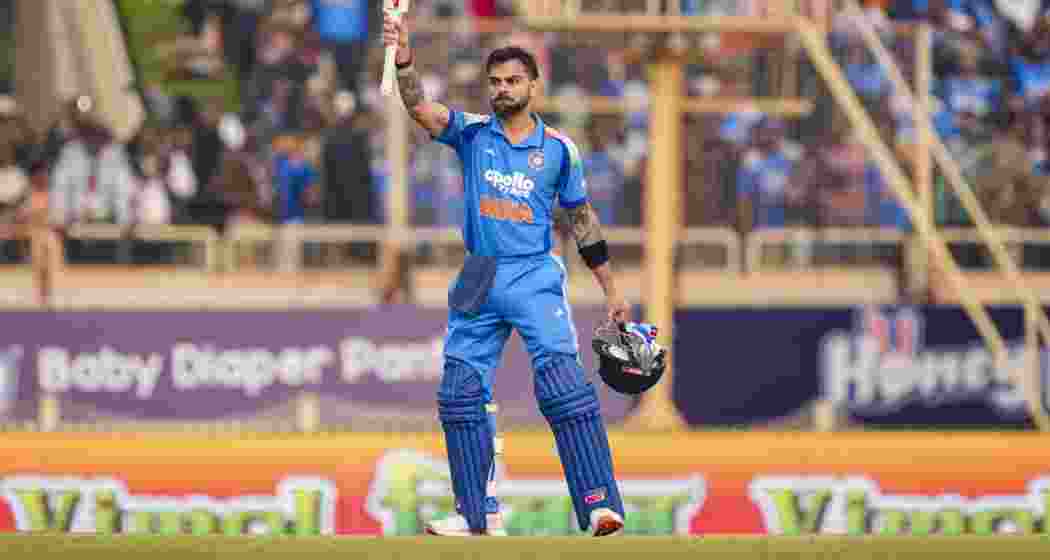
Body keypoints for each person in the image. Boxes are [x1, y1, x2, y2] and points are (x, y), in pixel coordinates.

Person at [383, 12, 629, 538]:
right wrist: (403, 55)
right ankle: (477, 514)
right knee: (459, 393)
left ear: (533, 87)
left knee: (564, 388)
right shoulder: (472, 134)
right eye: (494, 81)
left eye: (513, 80)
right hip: (479, 274)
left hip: (534, 274)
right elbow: (419, 108)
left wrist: (611, 289)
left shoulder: (559, 150)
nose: (502, 89)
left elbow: (582, 220)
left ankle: (599, 505)